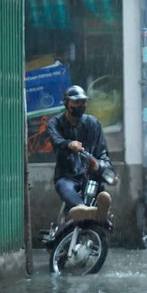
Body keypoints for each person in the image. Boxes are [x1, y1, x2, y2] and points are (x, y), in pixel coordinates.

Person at [45, 85, 115, 221]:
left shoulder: (93, 123)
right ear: (66, 103)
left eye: (83, 102)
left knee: (99, 190)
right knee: (64, 186)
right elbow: (56, 139)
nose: (80, 105)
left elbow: (102, 152)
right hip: (67, 176)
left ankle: (100, 214)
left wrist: (109, 171)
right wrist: (69, 144)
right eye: (76, 102)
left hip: (91, 177)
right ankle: (82, 208)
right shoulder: (55, 123)